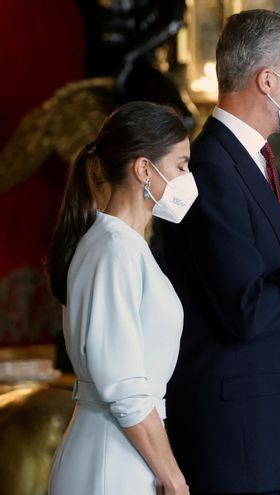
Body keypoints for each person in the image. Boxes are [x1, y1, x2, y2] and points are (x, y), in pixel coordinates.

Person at [159, 9, 280, 495]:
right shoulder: (211, 167)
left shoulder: (258, 160)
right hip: (235, 445)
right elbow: (247, 310)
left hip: (269, 436)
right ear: (268, 80)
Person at [47, 101, 196, 494]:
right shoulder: (115, 247)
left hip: (121, 450)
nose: (188, 177)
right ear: (145, 169)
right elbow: (126, 387)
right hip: (111, 460)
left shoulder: (122, 244)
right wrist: (173, 477)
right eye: (181, 165)